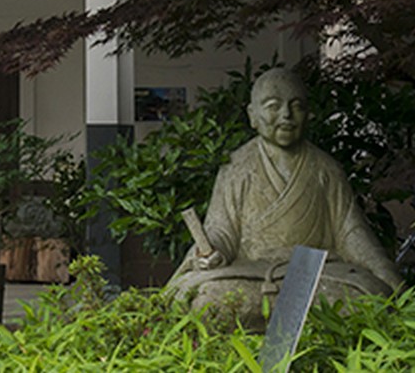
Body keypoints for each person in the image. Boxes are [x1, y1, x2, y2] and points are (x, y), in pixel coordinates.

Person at [167, 68, 401, 328]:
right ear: (252, 116)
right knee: (204, 299)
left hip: (317, 275)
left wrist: (384, 273)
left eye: (296, 106)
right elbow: (222, 230)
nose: (286, 115)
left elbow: (350, 231)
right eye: (272, 106)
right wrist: (210, 252)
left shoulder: (326, 169)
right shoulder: (236, 167)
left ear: (308, 114)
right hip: (252, 276)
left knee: (367, 298)